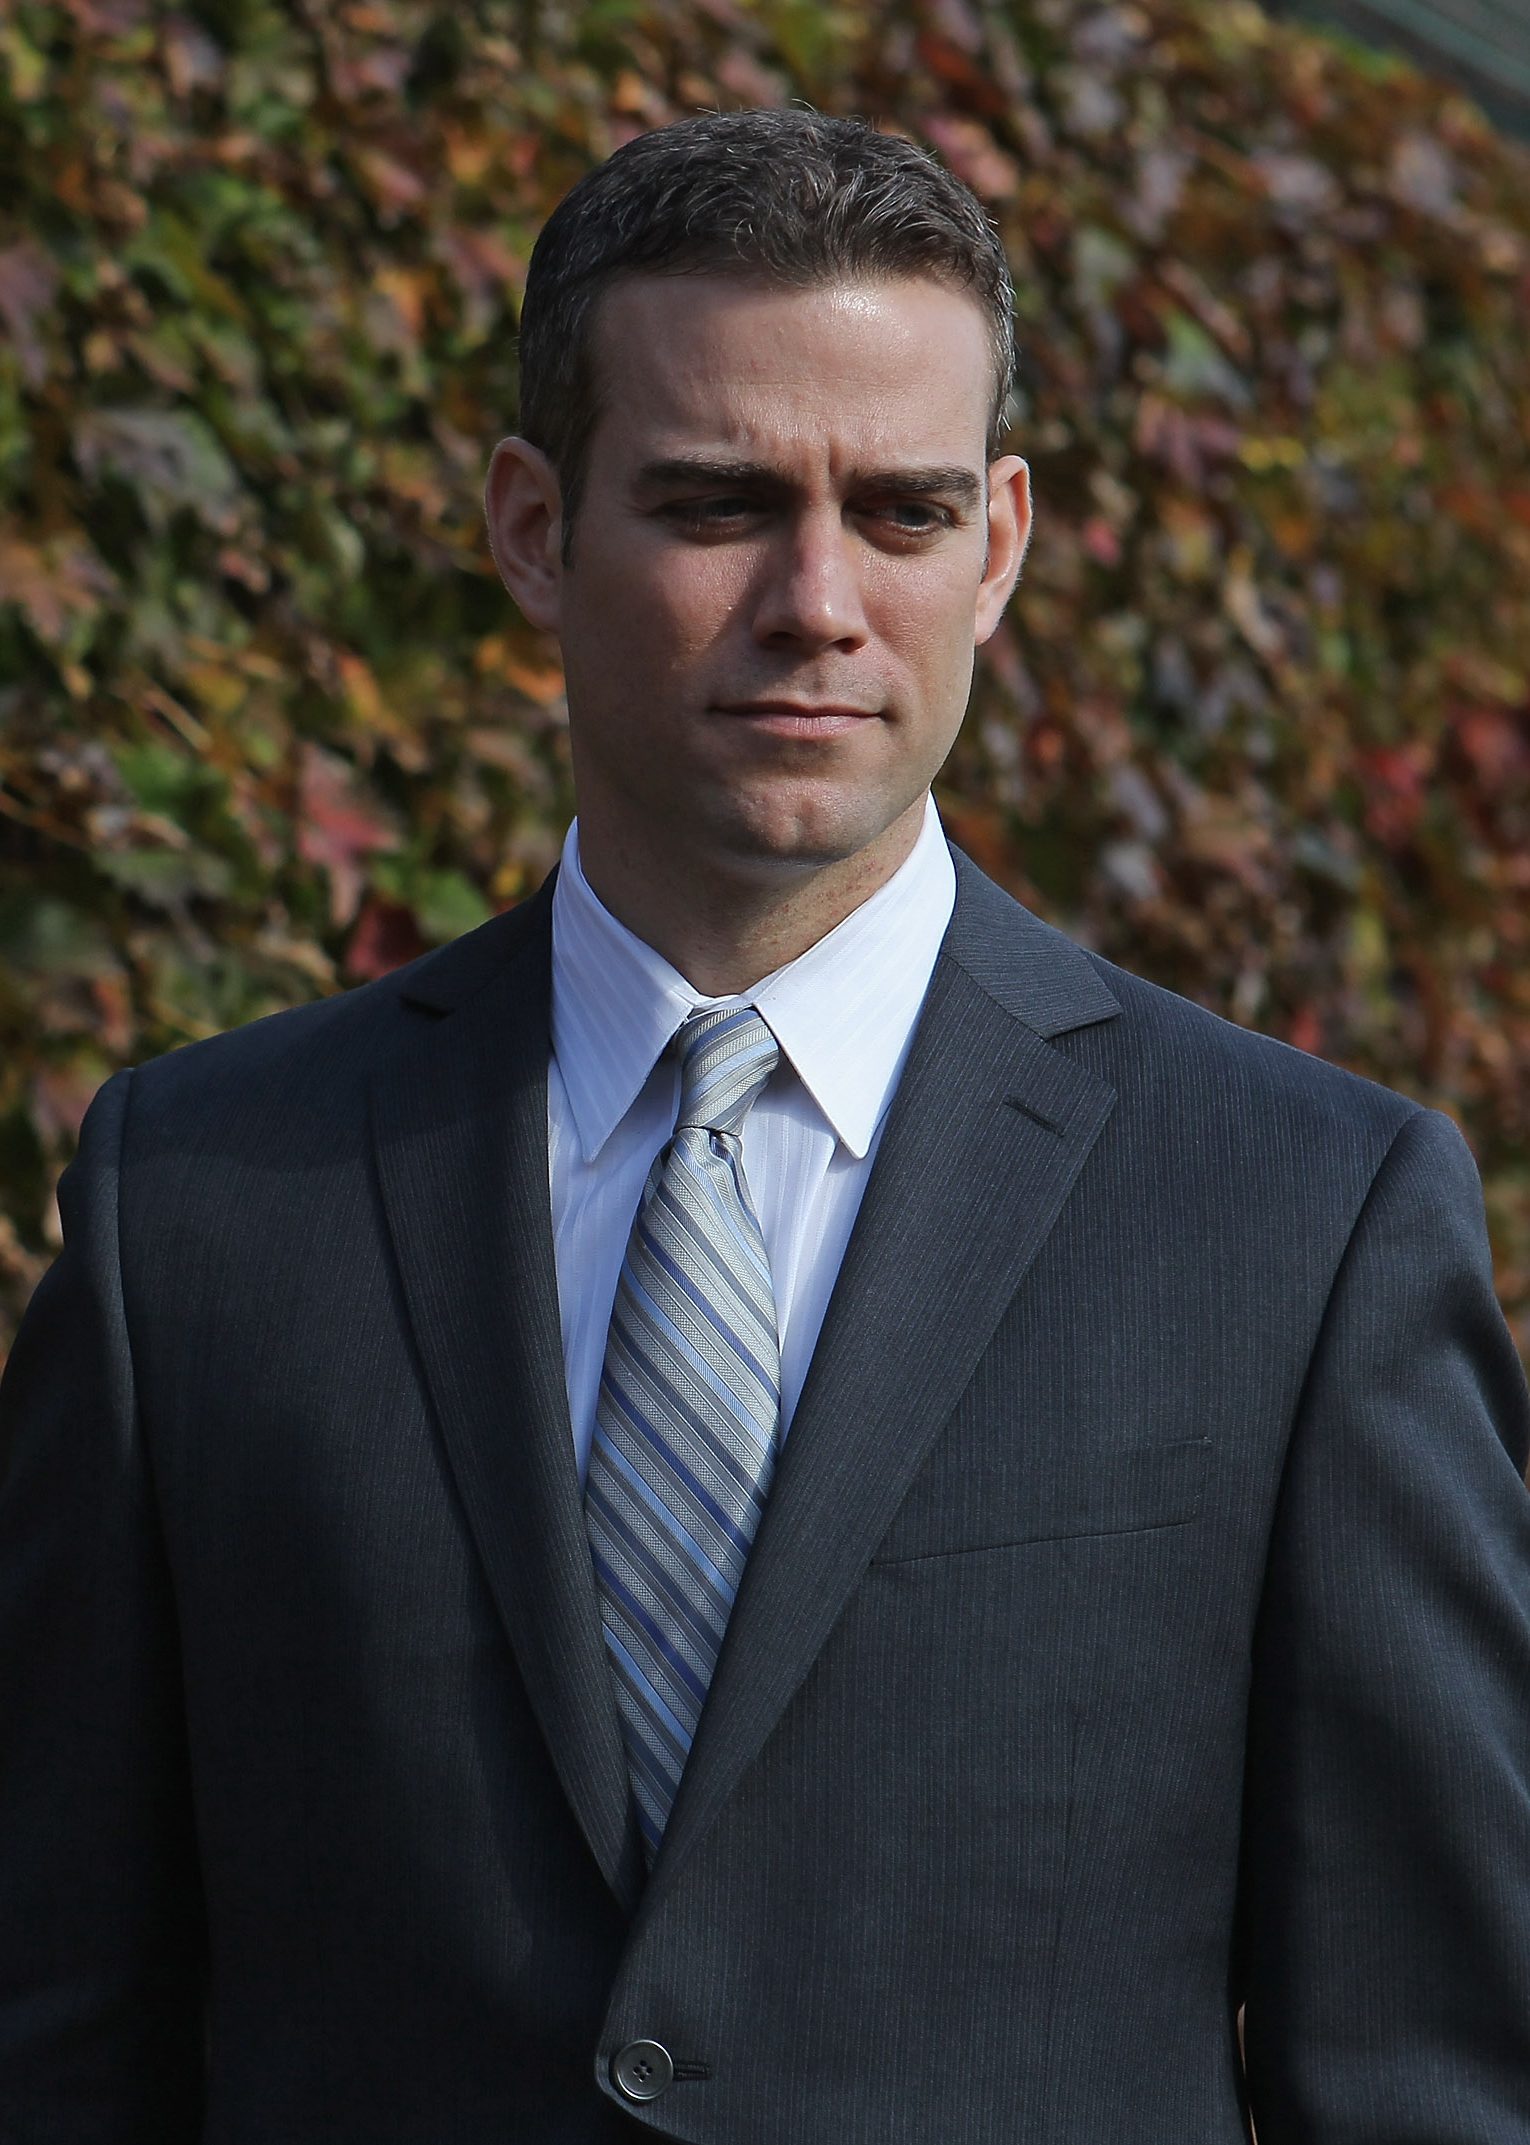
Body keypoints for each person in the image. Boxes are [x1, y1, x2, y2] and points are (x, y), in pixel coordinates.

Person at [1, 106, 1527, 2145]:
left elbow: (1438, 2076)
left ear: (997, 544)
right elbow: (55, 2026)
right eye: (720, 501)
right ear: (534, 524)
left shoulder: (1301, 1221)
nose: (818, 599)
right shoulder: (192, 1203)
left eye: (897, 512)